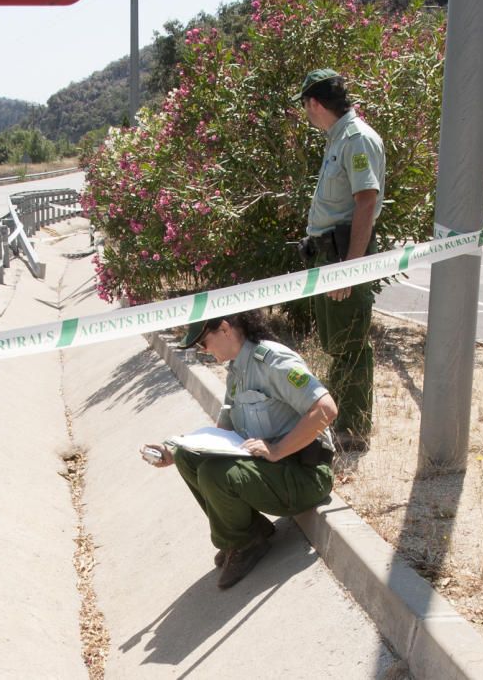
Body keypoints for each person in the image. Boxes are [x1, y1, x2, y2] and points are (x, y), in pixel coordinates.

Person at [142, 310, 337, 589]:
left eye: (203, 341)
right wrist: (172, 450)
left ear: (224, 328)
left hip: (306, 474)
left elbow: (326, 409)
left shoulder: (273, 360)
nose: (203, 350)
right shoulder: (237, 371)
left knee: (214, 473)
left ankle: (246, 543)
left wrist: (277, 449)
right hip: (277, 472)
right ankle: (247, 533)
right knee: (189, 457)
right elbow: (222, 431)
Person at [295, 68, 386, 453]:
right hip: (328, 254)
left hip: (342, 255)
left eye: (305, 108)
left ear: (315, 103)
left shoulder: (356, 138)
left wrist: (351, 266)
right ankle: (343, 423)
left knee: (350, 343)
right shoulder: (338, 139)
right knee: (337, 342)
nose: (306, 115)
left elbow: (366, 202)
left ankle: (353, 429)